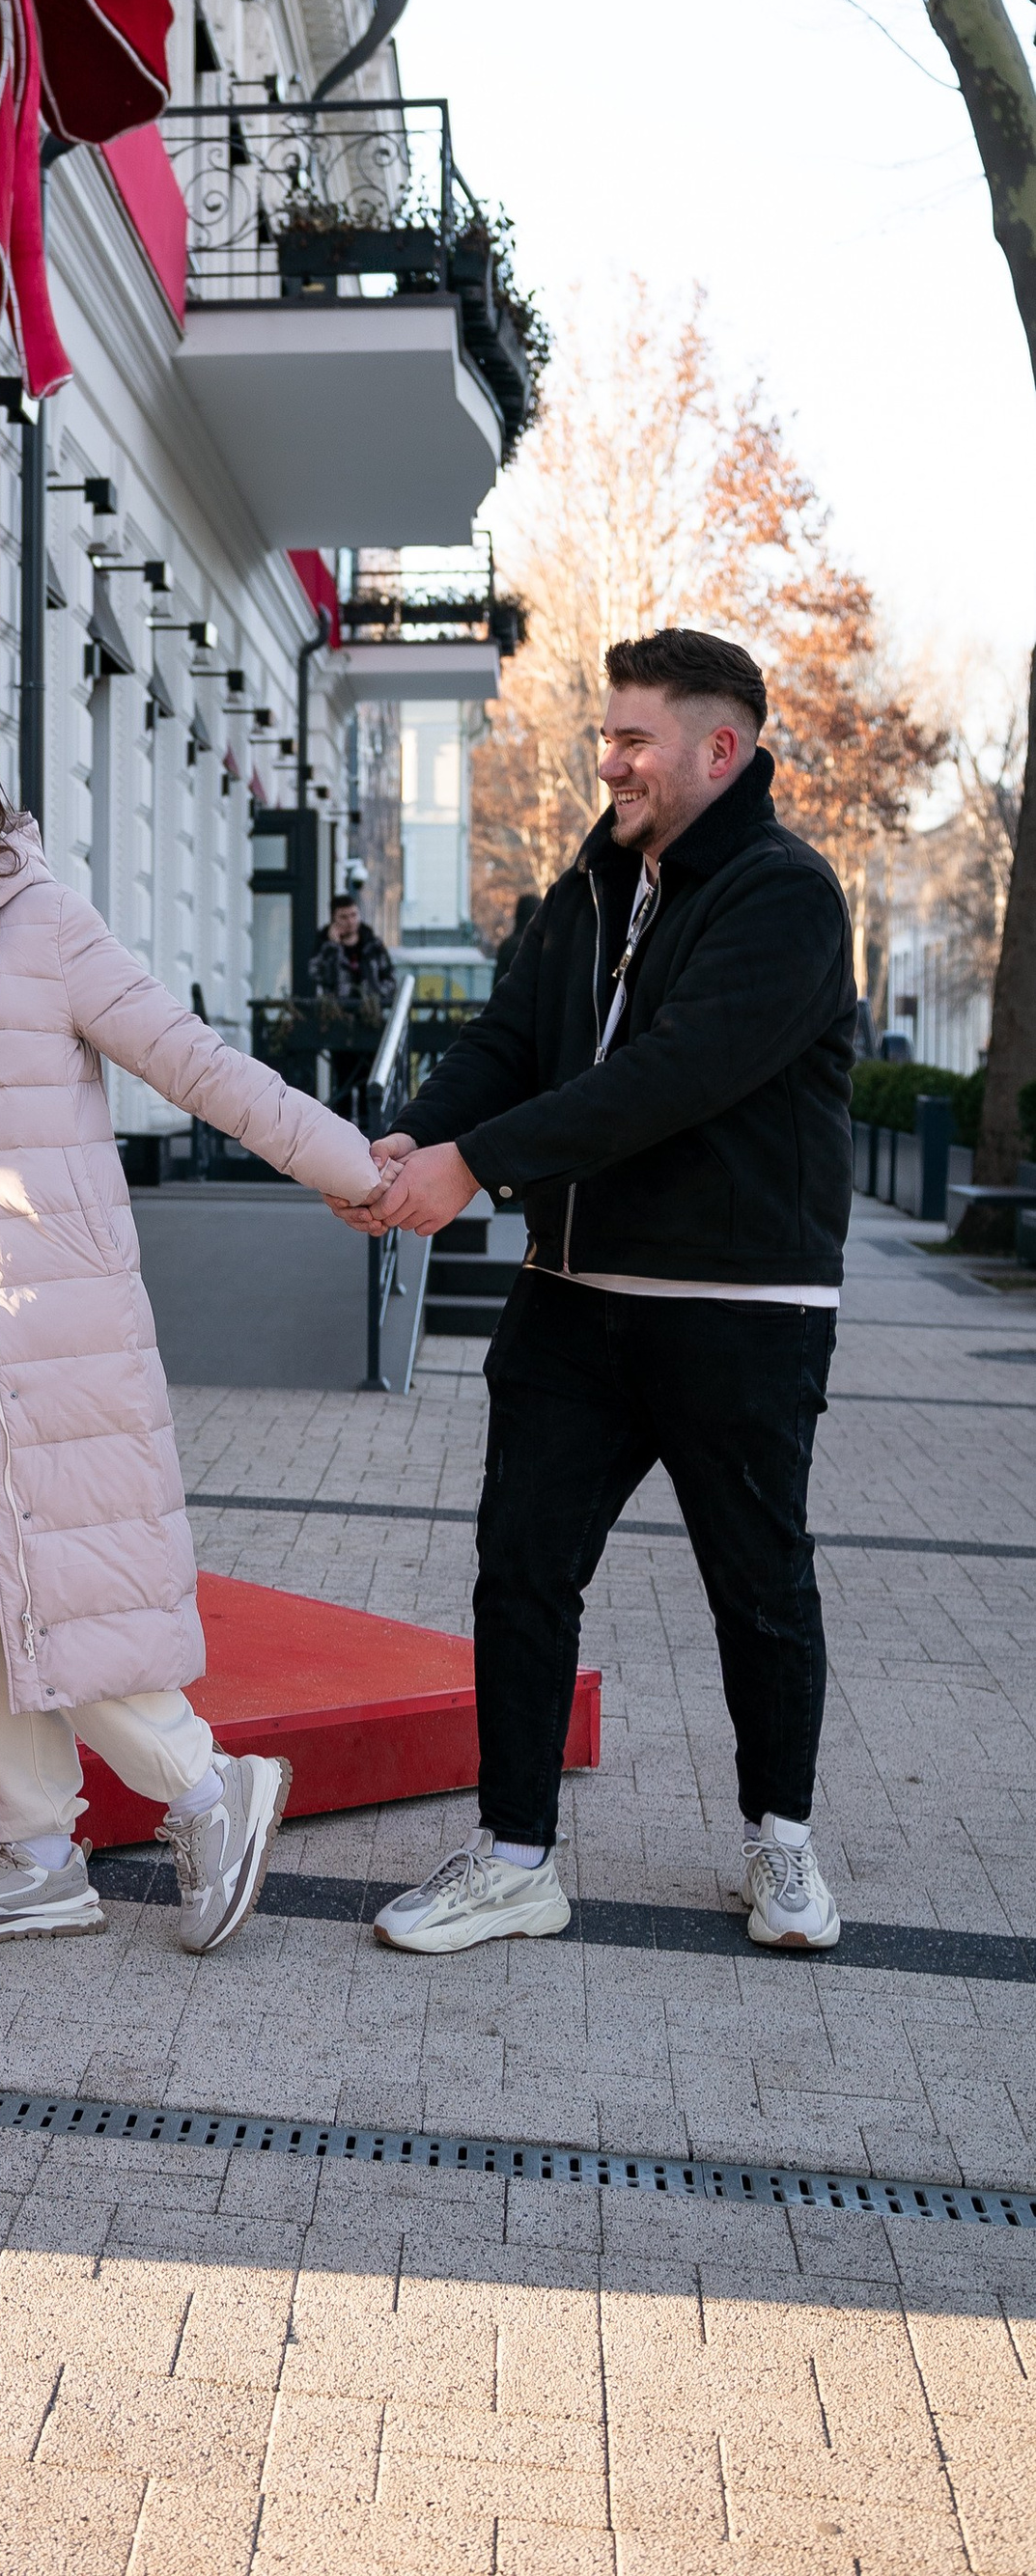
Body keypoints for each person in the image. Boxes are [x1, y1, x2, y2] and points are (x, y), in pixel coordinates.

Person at [0, 688, 382, 1953]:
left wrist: (348, 1163)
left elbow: (193, 1061)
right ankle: (38, 1853)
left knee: (66, 1583)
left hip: (54, 1320)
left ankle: (213, 1786)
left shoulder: (48, 923)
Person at [345, 630, 855, 1958]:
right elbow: (513, 1039)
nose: (609, 757)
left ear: (718, 749)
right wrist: (414, 1139)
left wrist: (476, 1165)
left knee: (758, 1582)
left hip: (740, 1305)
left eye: (634, 737)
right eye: (608, 734)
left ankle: (783, 1843)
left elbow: (672, 1077)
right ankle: (515, 1858)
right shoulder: (590, 882)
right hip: (572, 1296)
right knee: (519, 1570)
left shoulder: (786, 895)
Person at [307, 890, 394, 1122]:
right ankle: (343, 1135)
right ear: (334, 919)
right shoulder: (324, 944)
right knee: (343, 1080)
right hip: (340, 1023)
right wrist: (333, 948)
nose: (350, 921)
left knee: (369, 1081)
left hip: (370, 1022)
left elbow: (390, 978)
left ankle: (370, 1134)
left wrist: (376, 996)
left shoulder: (372, 943)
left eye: (354, 915)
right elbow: (316, 974)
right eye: (344, 917)